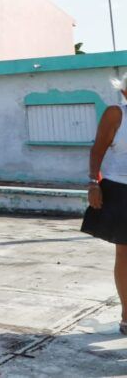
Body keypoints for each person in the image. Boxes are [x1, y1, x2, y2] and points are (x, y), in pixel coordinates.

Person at [81, 75, 127, 335]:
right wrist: (92, 182)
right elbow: (97, 151)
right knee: (125, 253)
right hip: (121, 190)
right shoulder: (115, 115)